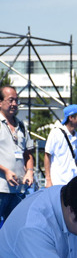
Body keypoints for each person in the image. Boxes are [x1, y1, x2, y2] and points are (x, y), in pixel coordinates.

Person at [0, 86, 35, 226]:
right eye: (10, 100)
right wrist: (6, 171)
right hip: (1, 188)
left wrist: (30, 172)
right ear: (0, 102)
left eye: (16, 100)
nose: (14, 104)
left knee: (15, 229)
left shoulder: (21, 125)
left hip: (18, 190)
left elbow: (28, 154)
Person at [44, 103, 77, 187]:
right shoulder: (56, 133)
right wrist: (48, 179)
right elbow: (47, 156)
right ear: (71, 118)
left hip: (72, 183)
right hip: (57, 182)